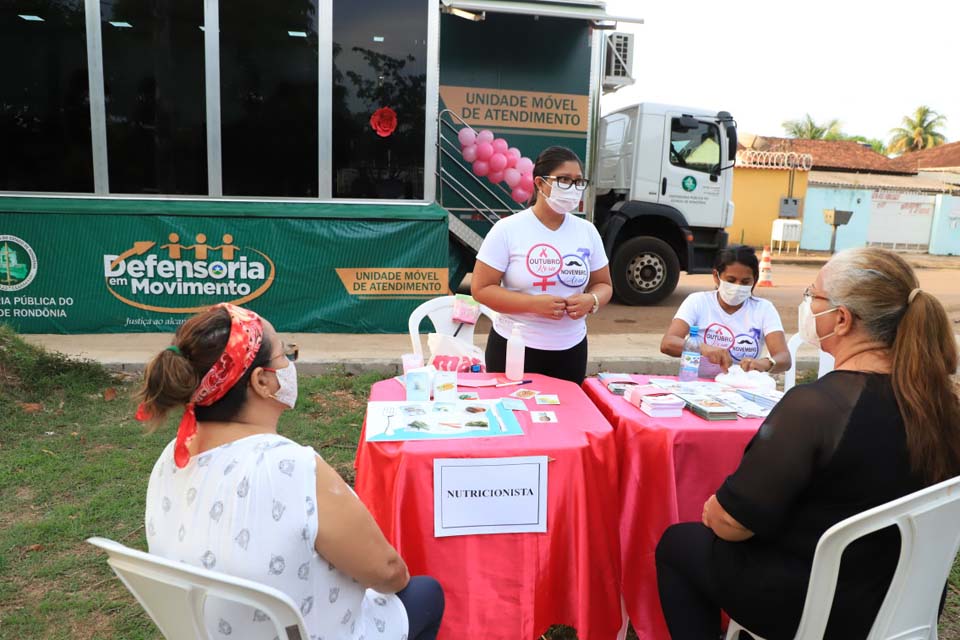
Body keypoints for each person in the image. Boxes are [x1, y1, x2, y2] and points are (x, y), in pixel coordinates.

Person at [655, 248, 960, 639]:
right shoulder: (942, 403)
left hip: (820, 605)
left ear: (842, 318)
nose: (807, 306)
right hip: (909, 598)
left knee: (679, 545)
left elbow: (730, 523)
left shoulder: (817, 408)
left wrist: (715, 510)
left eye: (812, 296)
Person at [138, 303, 444, 640]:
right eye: (285, 354)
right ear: (263, 381)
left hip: (213, 630)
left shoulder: (173, 457)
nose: (289, 364)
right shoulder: (289, 468)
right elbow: (388, 573)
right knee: (425, 592)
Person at [471, 146, 613, 384]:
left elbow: (603, 284)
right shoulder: (508, 229)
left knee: (567, 417)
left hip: (571, 349)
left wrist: (593, 300)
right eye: (564, 180)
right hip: (514, 347)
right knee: (514, 417)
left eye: (578, 181)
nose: (573, 188)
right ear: (539, 183)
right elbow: (481, 289)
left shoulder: (587, 231)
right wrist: (534, 304)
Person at [661, 246, 790, 377]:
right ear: (716, 277)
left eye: (745, 282)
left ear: (755, 280)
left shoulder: (764, 309)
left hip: (742, 387)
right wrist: (702, 348)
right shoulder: (697, 301)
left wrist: (765, 363)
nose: (738, 286)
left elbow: (784, 357)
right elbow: (668, 343)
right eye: (731, 280)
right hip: (698, 384)